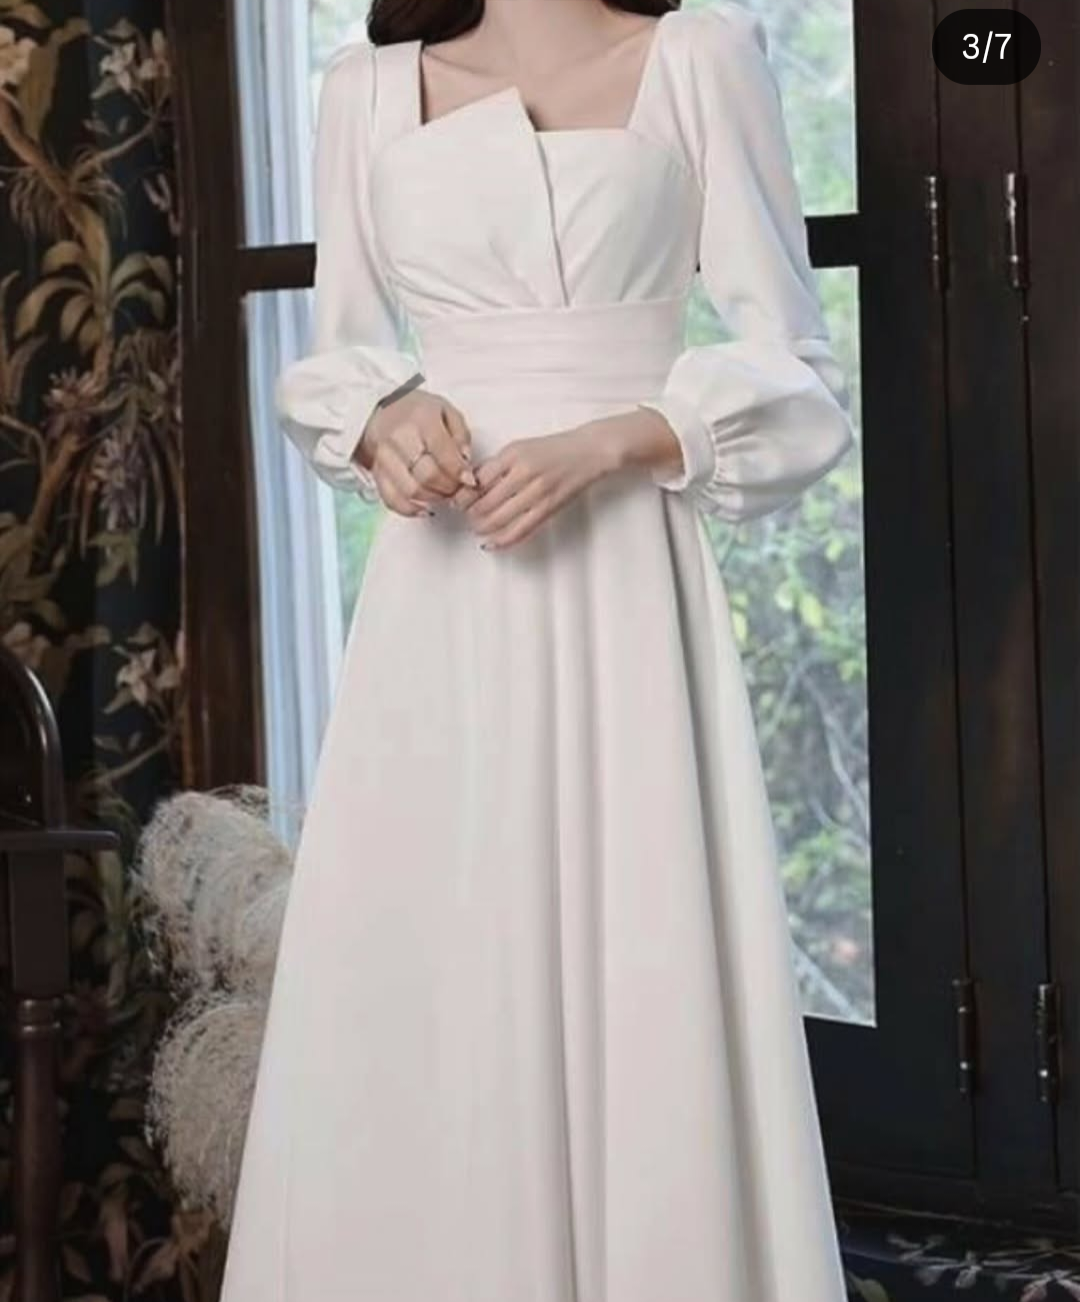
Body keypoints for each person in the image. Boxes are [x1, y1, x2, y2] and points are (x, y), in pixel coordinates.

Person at [219, 0, 856, 1297]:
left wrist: (617, 437)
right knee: (433, 961)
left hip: (627, 583)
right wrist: (384, 419)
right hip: (440, 598)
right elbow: (341, 357)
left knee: (641, 957)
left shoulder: (700, 58)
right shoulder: (364, 90)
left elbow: (794, 362)